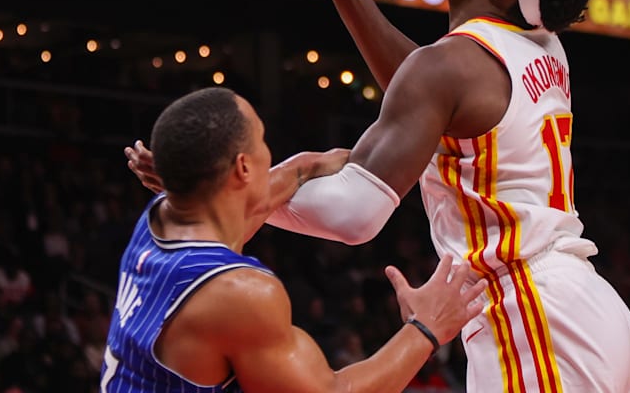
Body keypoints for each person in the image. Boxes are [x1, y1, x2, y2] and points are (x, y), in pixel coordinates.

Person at [127, 0, 630, 391]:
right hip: (587, 308)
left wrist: (230, 193)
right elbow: (422, 89)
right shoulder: (538, 46)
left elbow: (355, 214)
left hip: (532, 314)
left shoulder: (453, 66)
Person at [103, 87, 488, 393]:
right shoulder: (239, 294)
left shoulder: (161, 216)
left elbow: (279, 182)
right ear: (242, 168)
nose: (269, 152)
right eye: (262, 140)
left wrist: (322, 165)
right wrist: (426, 329)